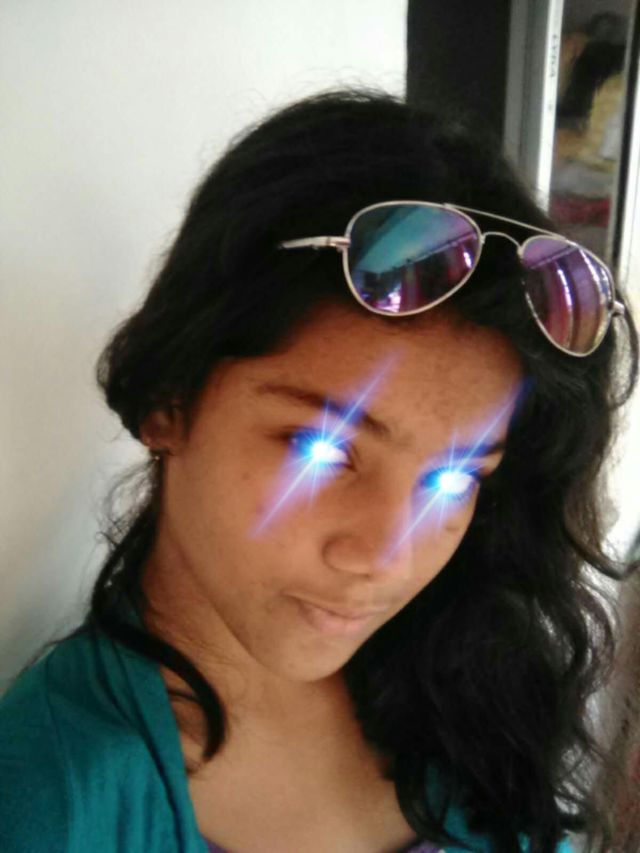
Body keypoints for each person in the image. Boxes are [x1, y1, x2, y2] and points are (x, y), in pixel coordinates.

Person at [1, 88, 637, 853]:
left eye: (453, 479)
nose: (385, 556)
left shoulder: (470, 683)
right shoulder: (46, 801)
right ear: (170, 399)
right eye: (322, 450)